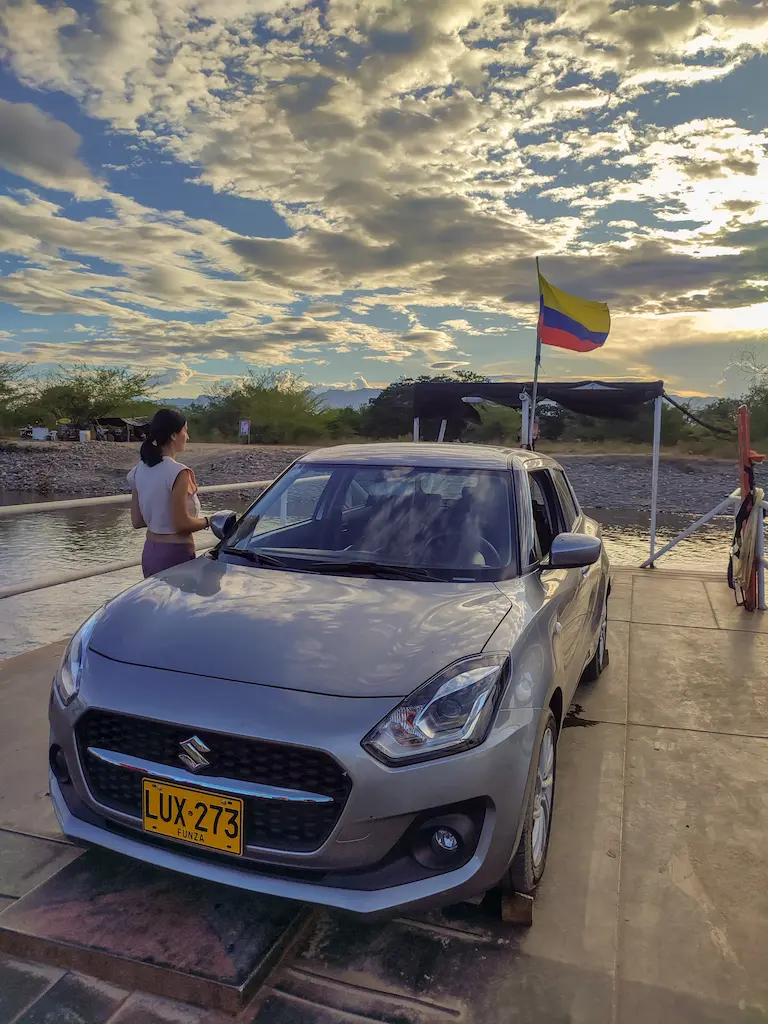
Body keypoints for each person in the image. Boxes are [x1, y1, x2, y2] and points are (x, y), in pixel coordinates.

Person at [128, 408, 211, 577]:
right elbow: (181, 524)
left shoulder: (138, 470)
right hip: (175, 554)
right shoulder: (179, 472)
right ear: (174, 435)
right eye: (185, 431)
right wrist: (210, 521)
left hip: (151, 551)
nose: (187, 437)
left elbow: (137, 521)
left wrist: (159, 517)